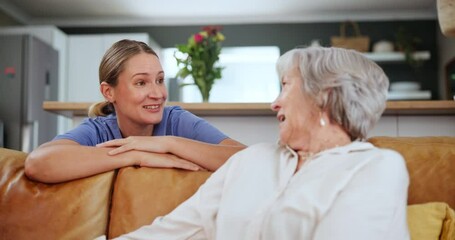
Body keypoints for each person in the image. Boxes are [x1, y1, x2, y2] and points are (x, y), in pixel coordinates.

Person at [100, 46, 410, 240]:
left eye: (285, 87)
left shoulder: (376, 167)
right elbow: (177, 230)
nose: (274, 103)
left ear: (324, 96)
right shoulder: (254, 159)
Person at [24, 39, 245, 184]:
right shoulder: (98, 131)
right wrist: (135, 155)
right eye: (141, 83)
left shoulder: (176, 121)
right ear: (109, 92)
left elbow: (248, 160)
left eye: (159, 80)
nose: (157, 93)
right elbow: (38, 163)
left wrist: (169, 144)